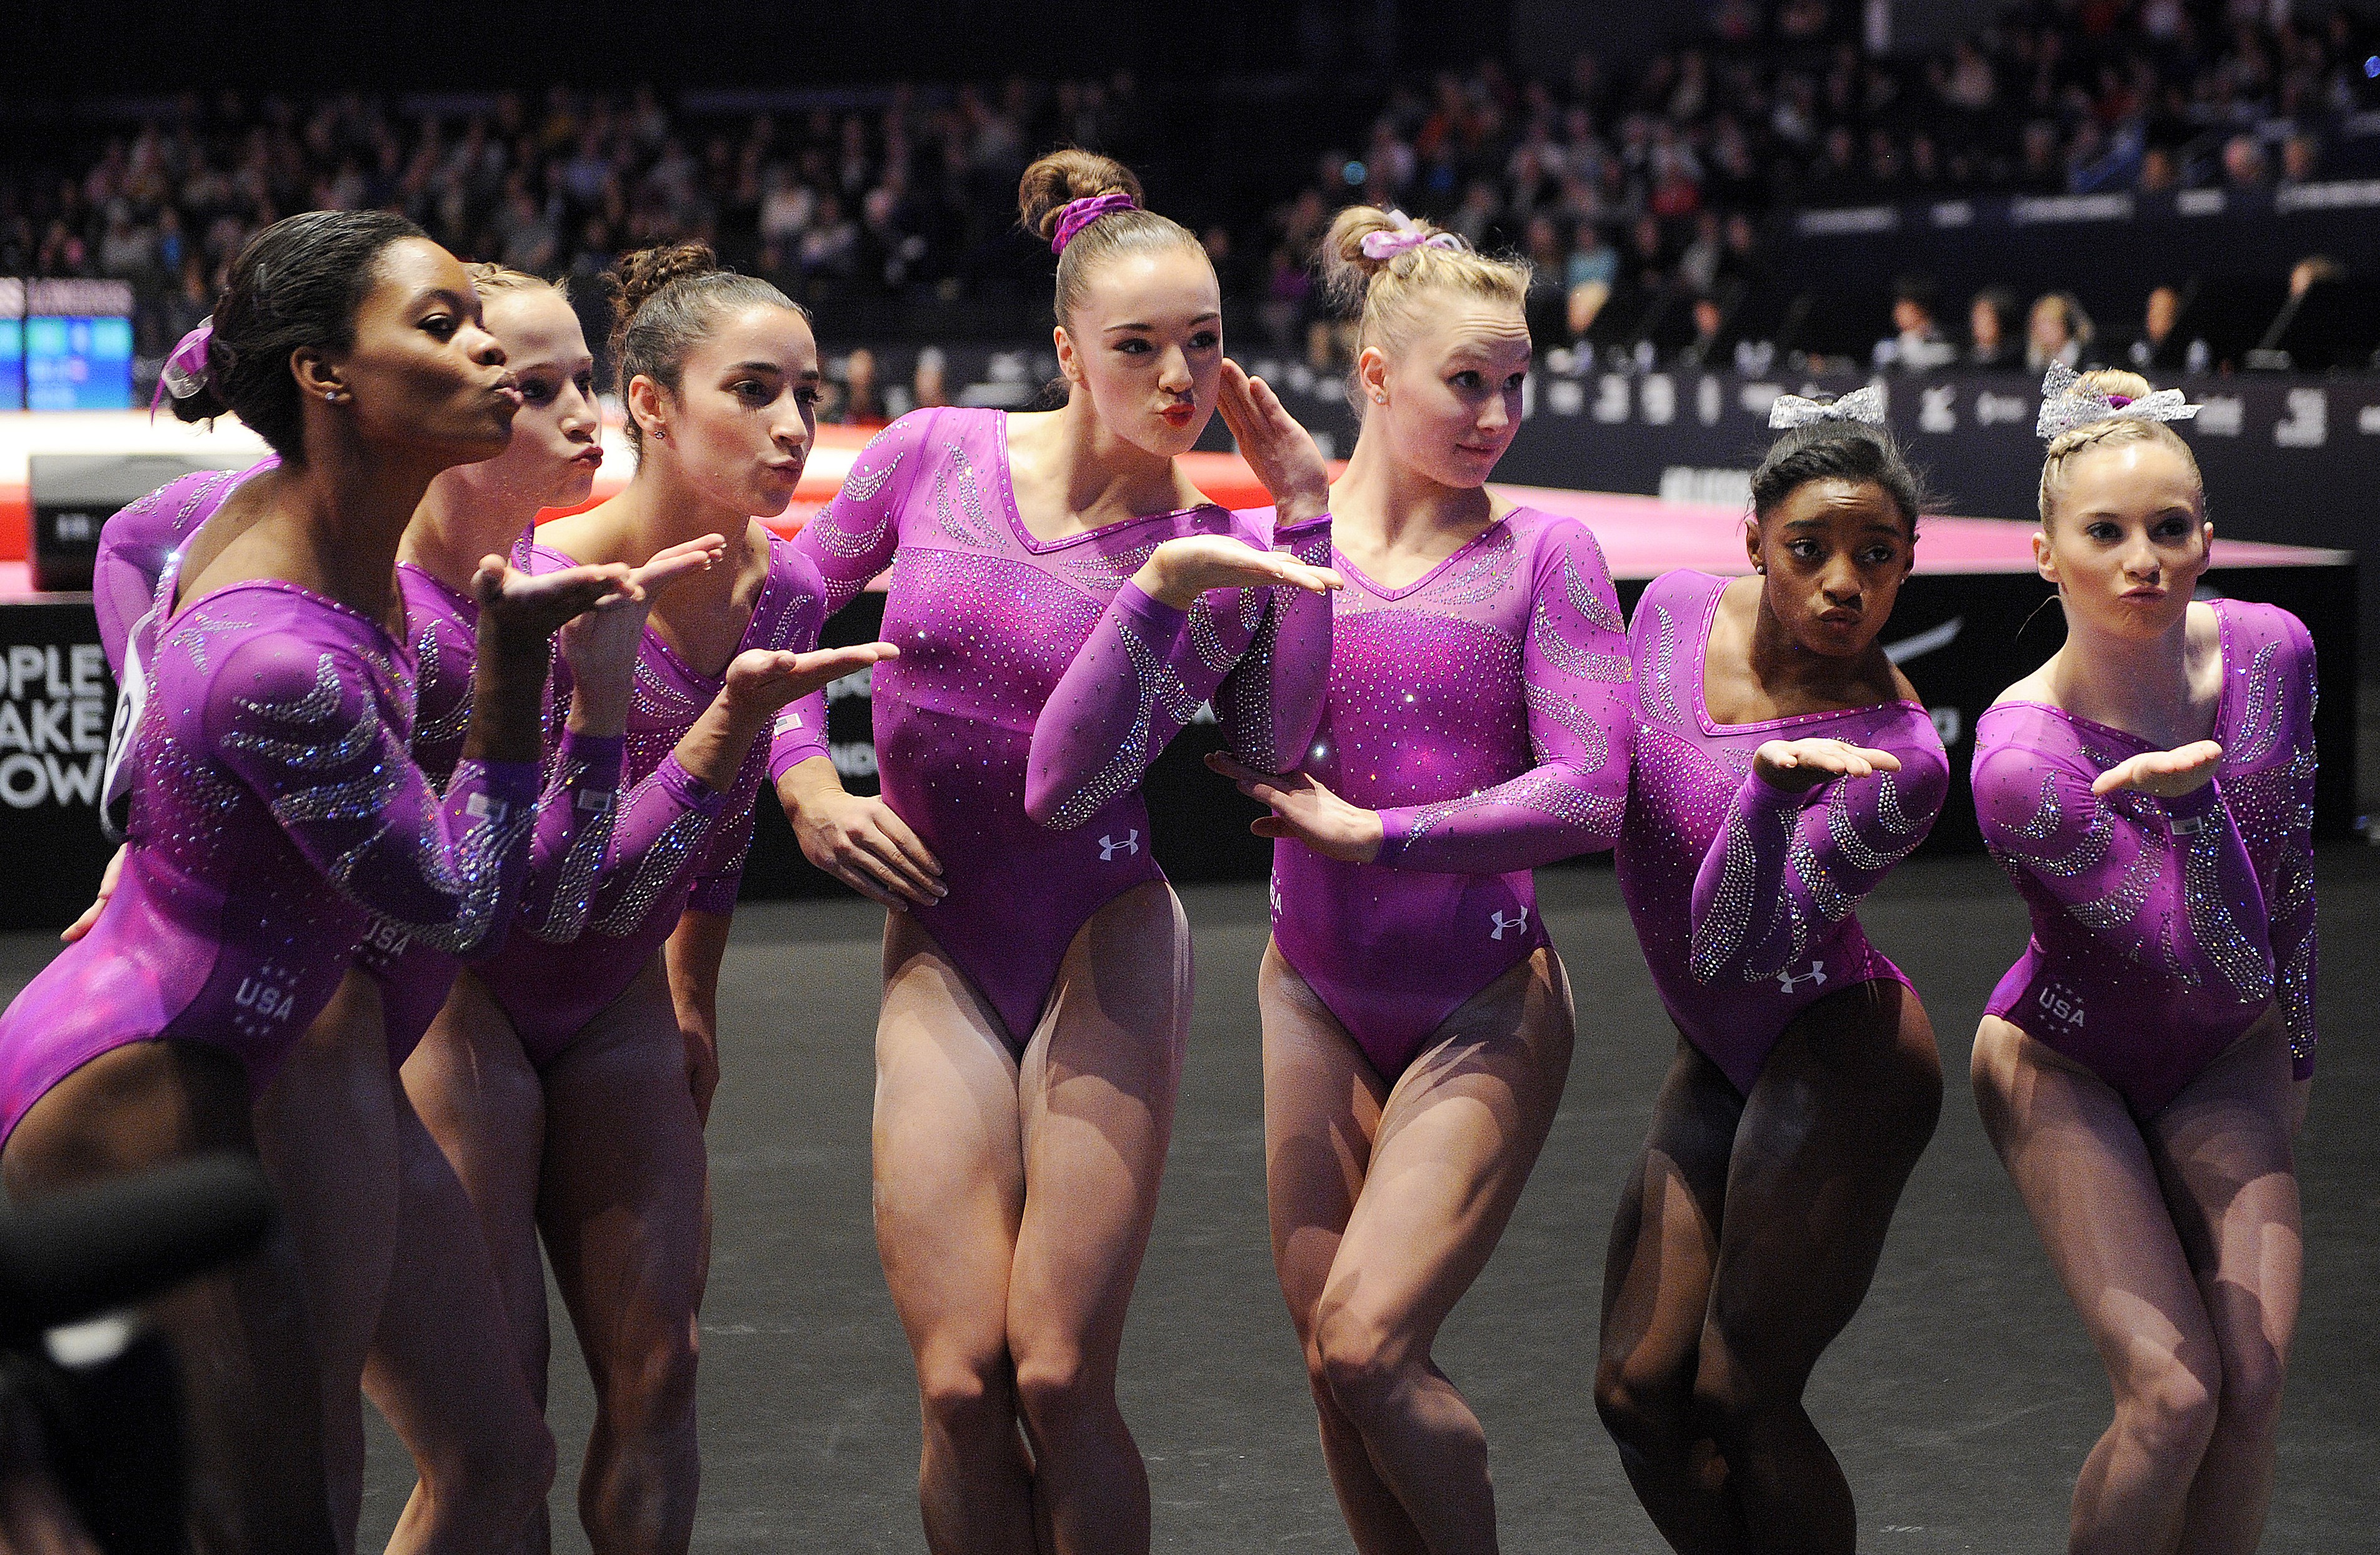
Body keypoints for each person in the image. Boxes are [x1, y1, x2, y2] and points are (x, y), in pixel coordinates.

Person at [0, 209, 629, 1554]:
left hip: (254, 1034)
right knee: (263, 1521)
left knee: (500, 1453)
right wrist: (531, 700)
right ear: (326, 376)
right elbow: (458, 901)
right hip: (151, 1077)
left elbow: (130, 550)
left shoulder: (284, 524)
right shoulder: (284, 657)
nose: (500, 364)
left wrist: (149, 786)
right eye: (445, 327)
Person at [774, 149, 1334, 1554]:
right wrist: (801, 782)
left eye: (1204, 343)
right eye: (1138, 345)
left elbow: (1270, 736)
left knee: (1061, 1371)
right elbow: (779, 615)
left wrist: (1309, 507)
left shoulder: (1208, 552)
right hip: (944, 940)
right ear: (1064, 347)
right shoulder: (932, 452)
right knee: (962, 1379)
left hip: (1103, 930)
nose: (1177, 377)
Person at [409, 242, 895, 1555]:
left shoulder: (785, 588)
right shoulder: (533, 586)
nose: (793, 427)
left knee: (663, 1369)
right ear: (650, 404)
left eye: (803, 391)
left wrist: (695, 997)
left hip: (619, 995)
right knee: (499, 1417)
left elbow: (719, 828)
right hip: (473, 1006)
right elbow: (537, 883)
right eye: (753, 390)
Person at [1202, 204, 1632, 1553]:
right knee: (1336, 1376)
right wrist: (1299, 523)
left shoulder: (1540, 554)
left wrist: (1380, 836)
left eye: (1516, 381)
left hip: (1480, 993)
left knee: (1371, 1343)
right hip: (1311, 993)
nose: (1499, 410)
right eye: (1469, 381)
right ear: (1376, 376)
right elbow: (1267, 749)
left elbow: (1589, 790)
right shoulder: (1286, 540)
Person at [1970, 366, 2315, 1554]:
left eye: (2170, 529)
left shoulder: (2276, 655)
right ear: (2043, 553)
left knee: (2255, 1391)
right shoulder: (2024, 755)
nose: (2143, 560)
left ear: (2209, 538)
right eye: (2105, 533)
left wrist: (2298, 1062)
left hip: (2234, 1048)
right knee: (2173, 1402)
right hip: (2065, 1058)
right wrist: (2195, 810)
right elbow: (2198, 950)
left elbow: (2289, 907)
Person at [1597, 391, 1949, 1554]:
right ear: (1753, 542)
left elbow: (1732, 946)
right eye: (1810, 550)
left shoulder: (1900, 757)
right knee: (1638, 1396)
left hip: (1844, 1051)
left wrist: (1766, 798)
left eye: (1877, 557)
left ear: (1907, 568)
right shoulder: (1674, 612)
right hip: (1721, 1050)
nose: (1845, 582)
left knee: (1743, 1398)